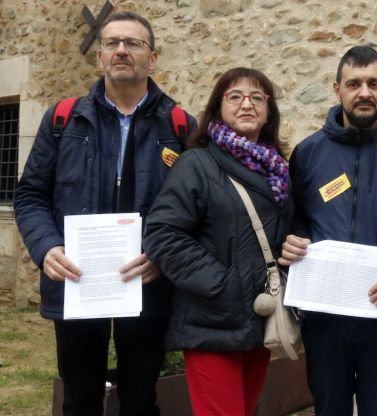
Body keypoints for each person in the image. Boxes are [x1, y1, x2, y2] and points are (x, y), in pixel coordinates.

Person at [13, 12, 196, 416]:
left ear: (153, 58)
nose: (121, 51)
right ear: (100, 57)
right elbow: (30, 196)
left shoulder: (182, 127)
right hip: (78, 280)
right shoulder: (63, 120)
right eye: (112, 43)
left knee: (140, 399)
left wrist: (164, 257)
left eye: (133, 43)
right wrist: (46, 248)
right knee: (79, 400)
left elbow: (198, 212)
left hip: (148, 283)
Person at [277, 45, 377, 416]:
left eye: (373, 83)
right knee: (328, 409)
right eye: (354, 83)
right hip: (324, 319)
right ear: (336, 89)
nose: (365, 92)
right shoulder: (308, 153)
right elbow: (296, 219)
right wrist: (293, 243)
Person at [142, 67, 291, 416]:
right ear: (218, 106)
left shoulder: (277, 169)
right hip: (211, 320)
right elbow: (163, 233)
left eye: (258, 97)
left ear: (269, 110)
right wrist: (221, 284)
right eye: (235, 96)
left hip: (260, 320)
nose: (246, 104)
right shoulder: (198, 163)